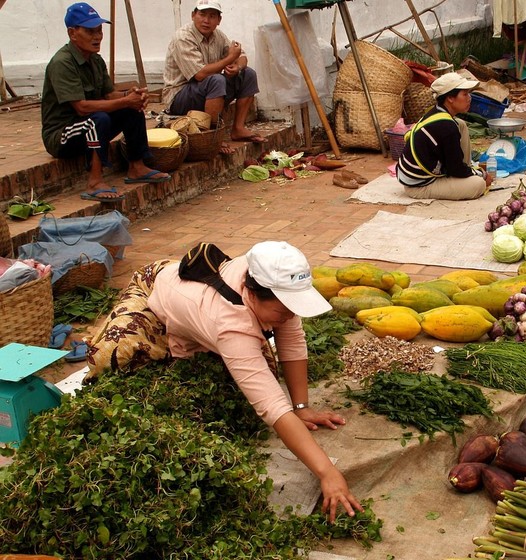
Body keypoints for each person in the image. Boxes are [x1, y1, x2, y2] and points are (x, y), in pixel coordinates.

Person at [142, 241, 362, 521]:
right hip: (154, 284)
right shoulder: (231, 324)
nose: (291, 317)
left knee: (261, 359)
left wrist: (301, 406)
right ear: (253, 295)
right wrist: (327, 472)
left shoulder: (269, 278)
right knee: (117, 352)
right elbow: (271, 405)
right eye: (284, 312)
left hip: (193, 294)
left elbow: (292, 339)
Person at [41, 2, 171, 202]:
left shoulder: (95, 60)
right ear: (72, 33)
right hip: (61, 135)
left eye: (99, 31)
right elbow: (82, 107)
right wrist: (125, 100)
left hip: (88, 124)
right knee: (98, 119)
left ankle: (137, 166)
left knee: (131, 109)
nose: (97, 36)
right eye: (90, 31)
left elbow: (110, 95)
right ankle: (94, 181)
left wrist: (133, 95)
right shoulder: (62, 63)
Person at [163, 0, 265, 155]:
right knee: (217, 80)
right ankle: (213, 136)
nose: (206, 20)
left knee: (247, 74)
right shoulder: (182, 37)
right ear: (193, 15)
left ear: (219, 20)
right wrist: (229, 58)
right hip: (179, 97)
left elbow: (241, 56)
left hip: (207, 90)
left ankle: (238, 128)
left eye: (212, 16)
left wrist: (237, 66)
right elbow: (200, 74)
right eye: (202, 14)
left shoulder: (218, 35)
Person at [396, 72, 492, 200]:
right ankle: (468, 175)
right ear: (450, 98)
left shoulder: (437, 112)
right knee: (478, 184)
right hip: (419, 185)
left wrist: (469, 171)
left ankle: (467, 170)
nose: (469, 98)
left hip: (413, 174)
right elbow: (455, 169)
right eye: (464, 94)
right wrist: (482, 175)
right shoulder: (447, 127)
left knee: (461, 124)